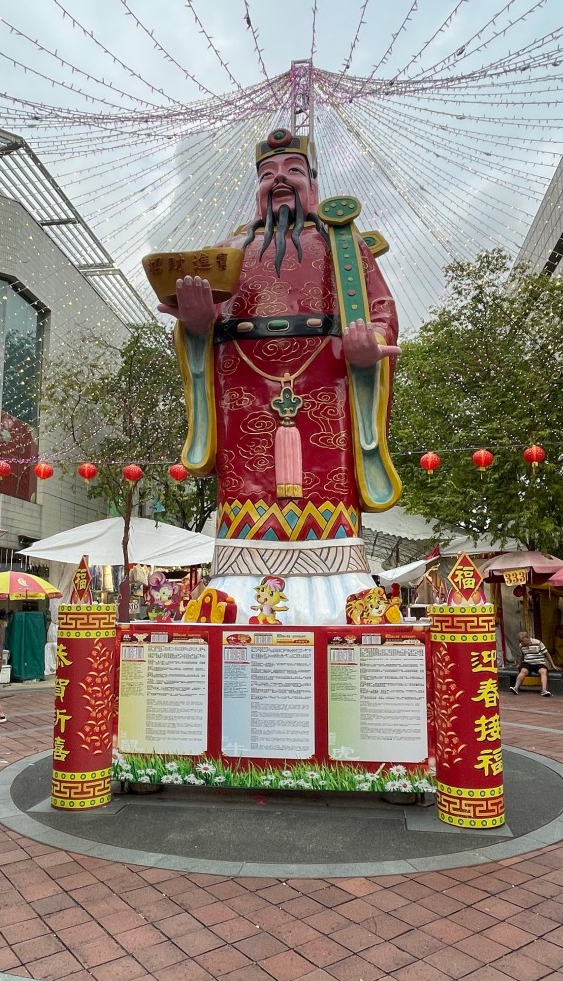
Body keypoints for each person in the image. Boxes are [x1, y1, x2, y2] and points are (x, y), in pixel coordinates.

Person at [158, 128, 401, 625]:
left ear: (313, 184)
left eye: (293, 170)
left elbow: (381, 309)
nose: (280, 179)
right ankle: (237, 592)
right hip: (243, 389)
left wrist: (368, 344)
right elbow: (201, 326)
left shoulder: (344, 246)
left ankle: (339, 593)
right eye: (268, 173)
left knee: (325, 485)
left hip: (326, 385)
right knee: (247, 488)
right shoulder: (226, 252)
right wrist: (197, 326)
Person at [510, 631, 559, 696]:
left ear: (528, 638)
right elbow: (522, 655)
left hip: (539, 662)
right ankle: (516, 688)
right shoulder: (521, 645)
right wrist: (519, 664)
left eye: (523, 641)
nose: (522, 643)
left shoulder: (538, 643)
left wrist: (553, 665)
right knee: (523, 671)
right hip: (528, 663)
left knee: (543, 671)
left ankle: (544, 690)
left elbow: (546, 654)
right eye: (520, 641)